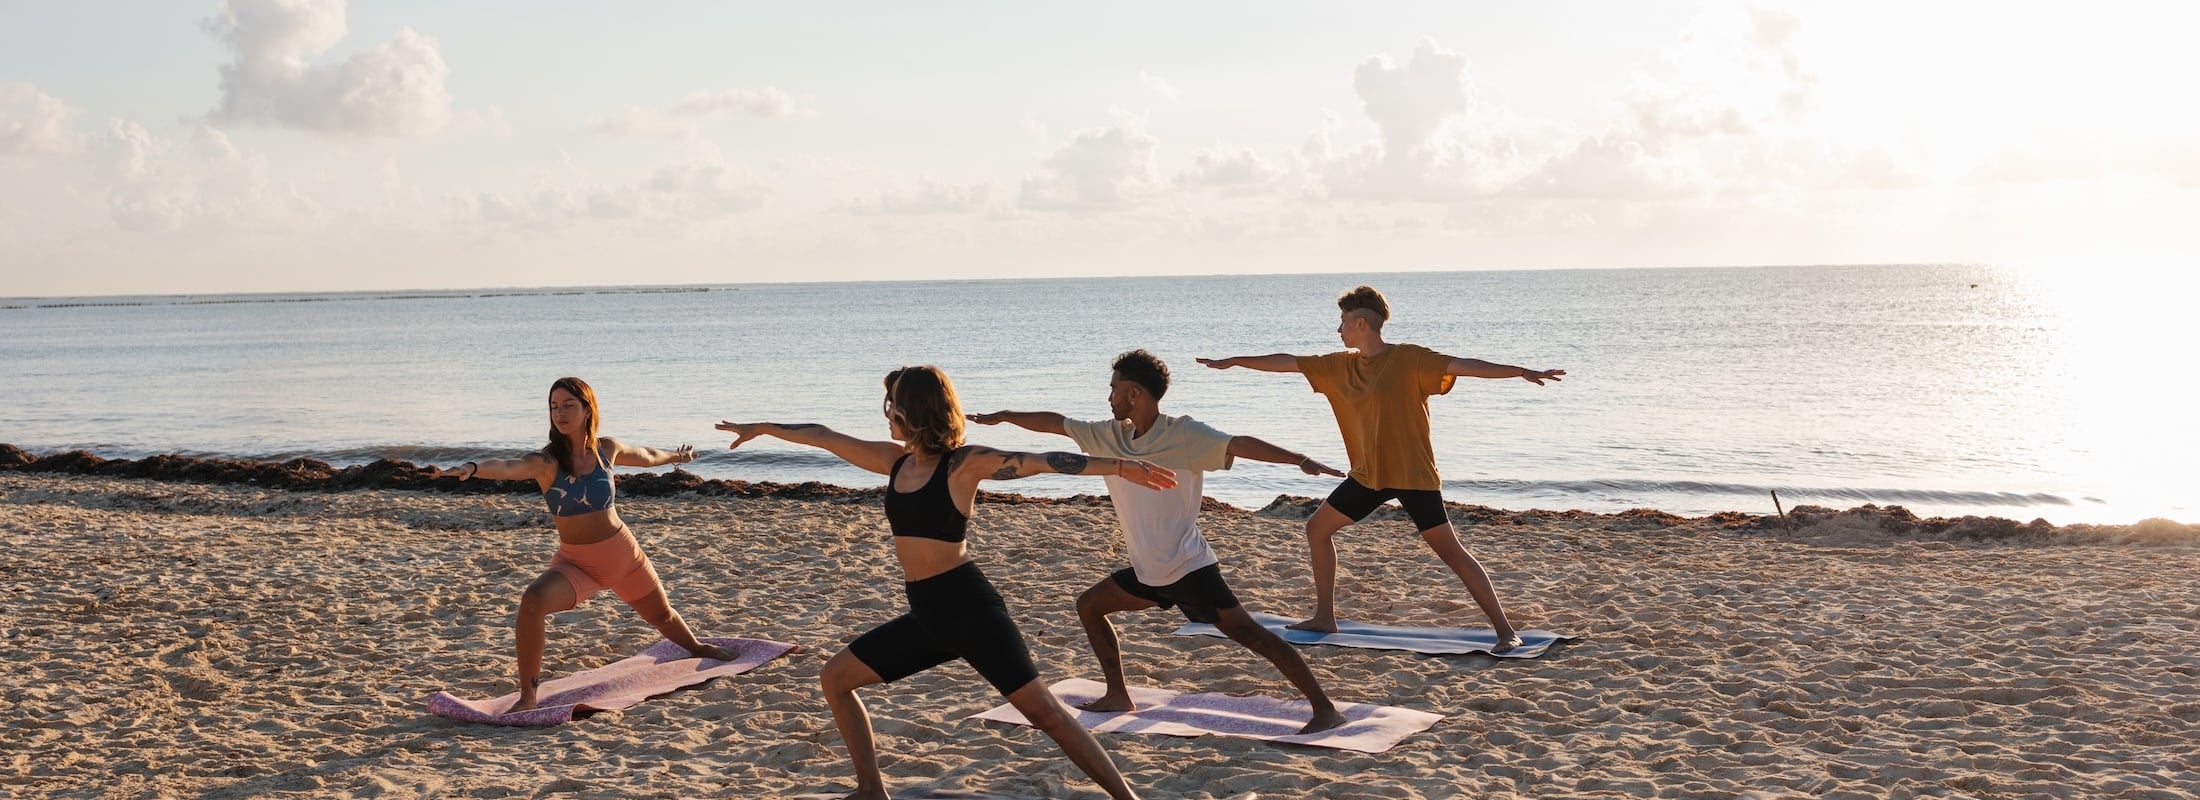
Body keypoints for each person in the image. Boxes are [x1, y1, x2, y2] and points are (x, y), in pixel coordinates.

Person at [715, 365, 1170, 800]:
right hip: (927, 615)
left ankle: (1127, 796)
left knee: (1047, 714)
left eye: (891, 404)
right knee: (836, 678)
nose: (886, 413)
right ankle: (872, 790)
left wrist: (1116, 466)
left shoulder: (961, 465)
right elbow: (823, 436)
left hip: (969, 611)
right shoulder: (894, 462)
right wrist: (763, 427)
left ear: (913, 410)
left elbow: (1038, 461)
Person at [968, 349, 1348, 734]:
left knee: (1252, 635)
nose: (1109, 397)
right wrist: (1005, 416)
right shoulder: (1109, 435)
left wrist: (1299, 459)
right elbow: (1057, 424)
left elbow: (1239, 444)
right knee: (1090, 605)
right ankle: (1117, 693)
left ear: (1135, 394)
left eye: (1114, 388)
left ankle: (1324, 709)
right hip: (1149, 572)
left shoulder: (1183, 434)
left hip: (1187, 567)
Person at [1198, 286, 1565, 653]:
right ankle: (1325, 616)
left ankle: (1505, 631)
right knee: (1317, 528)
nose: (1338, 329)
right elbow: (1286, 361)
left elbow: (1464, 366)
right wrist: (1234, 361)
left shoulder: (1410, 359)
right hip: (1367, 476)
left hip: (1412, 475)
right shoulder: (1337, 366)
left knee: (1450, 551)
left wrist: (1521, 372)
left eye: (1342, 322)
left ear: (1361, 323)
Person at [429, 376, 735, 713]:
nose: (559, 414)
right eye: (554, 407)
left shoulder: (607, 449)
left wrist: (677, 456)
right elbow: (508, 466)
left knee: (662, 615)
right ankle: (528, 696)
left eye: (568, 406)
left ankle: (696, 647)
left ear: (588, 410)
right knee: (532, 602)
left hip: (623, 555)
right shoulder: (547, 462)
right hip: (577, 565)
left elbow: (646, 455)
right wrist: (470, 468)